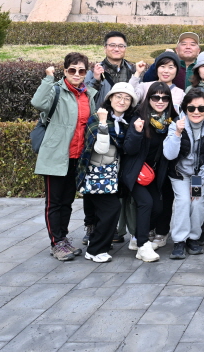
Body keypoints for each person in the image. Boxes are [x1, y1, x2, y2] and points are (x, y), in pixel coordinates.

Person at [32, 53, 97, 261]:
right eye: (72, 70)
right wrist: (48, 78)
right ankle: (56, 242)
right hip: (56, 155)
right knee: (54, 202)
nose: (77, 74)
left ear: (86, 73)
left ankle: (63, 238)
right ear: (65, 71)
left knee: (68, 201)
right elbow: (38, 102)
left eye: (81, 71)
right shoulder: (56, 91)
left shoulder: (89, 95)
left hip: (77, 157)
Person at [82, 31, 135, 248]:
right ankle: (92, 226)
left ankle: (114, 228)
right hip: (101, 123)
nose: (116, 49)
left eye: (120, 46)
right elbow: (86, 94)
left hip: (126, 125)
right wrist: (95, 79)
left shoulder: (131, 69)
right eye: (112, 45)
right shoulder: (97, 70)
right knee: (96, 176)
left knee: (117, 177)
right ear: (105, 47)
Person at [130, 50, 186, 248]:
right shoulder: (145, 87)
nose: (166, 70)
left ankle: (161, 232)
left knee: (164, 196)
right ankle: (143, 233)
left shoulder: (180, 93)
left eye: (171, 67)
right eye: (162, 66)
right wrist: (136, 75)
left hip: (167, 153)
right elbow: (128, 97)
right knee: (147, 200)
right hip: (146, 151)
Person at [76, 82, 136, 262]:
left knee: (105, 212)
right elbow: (101, 148)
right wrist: (103, 124)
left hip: (111, 174)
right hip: (96, 173)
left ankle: (97, 247)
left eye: (127, 98)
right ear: (110, 98)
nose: (122, 101)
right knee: (111, 209)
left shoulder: (125, 122)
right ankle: (95, 249)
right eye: (118, 96)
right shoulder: (98, 117)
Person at [122, 81, 178, 263]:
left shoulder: (170, 120)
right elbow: (129, 149)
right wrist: (137, 132)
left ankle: (140, 238)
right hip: (136, 172)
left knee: (158, 206)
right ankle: (142, 244)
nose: (160, 101)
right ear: (149, 98)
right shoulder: (139, 117)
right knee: (145, 203)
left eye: (164, 98)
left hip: (153, 174)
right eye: (156, 97)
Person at [163, 89, 204, 259]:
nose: (196, 112)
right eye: (191, 108)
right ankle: (179, 240)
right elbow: (169, 154)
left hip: (198, 174)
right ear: (185, 108)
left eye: (201, 108)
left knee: (197, 202)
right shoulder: (176, 123)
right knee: (183, 201)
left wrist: (197, 182)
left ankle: (194, 238)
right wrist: (178, 133)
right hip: (180, 173)